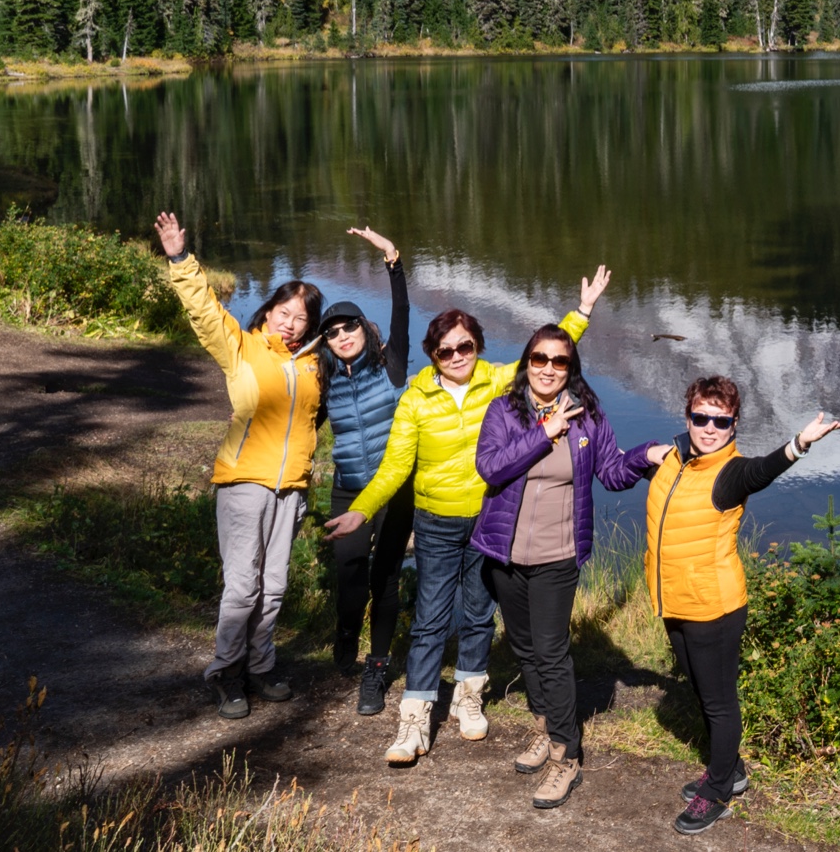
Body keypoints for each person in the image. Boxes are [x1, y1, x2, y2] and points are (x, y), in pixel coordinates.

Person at [323, 266, 612, 769]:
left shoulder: (496, 381)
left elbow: (548, 358)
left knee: (480, 613)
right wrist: (362, 509)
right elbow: (395, 465)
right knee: (432, 616)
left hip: (486, 521)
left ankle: (469, 695)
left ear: (477, 347)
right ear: (432, 354)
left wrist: (581, 313)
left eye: (466, 347)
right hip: (435, 520)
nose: (457, 357)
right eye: (446, 350)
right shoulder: (415, 398)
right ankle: (414, 716)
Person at [635, 377, 840, 835]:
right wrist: (638, 456)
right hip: (675, 599)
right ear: (687, 416)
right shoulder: (674, 460)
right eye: (700, 417)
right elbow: (624, 468)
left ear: (734, 425)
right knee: (698, 688)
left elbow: (762, 471)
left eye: (720, 420)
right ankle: (731, 768)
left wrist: (798, 445)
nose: (708, 428)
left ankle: (717, 794)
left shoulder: (729, 473)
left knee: (719, 703)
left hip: (714, 605)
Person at [154, 210, 323, 722]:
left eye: (302, 318)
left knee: (274, 586)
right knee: (242, 585)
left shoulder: (314, 365)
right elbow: (205, 309)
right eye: (284, 312)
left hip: (290, 489)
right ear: (268, 311)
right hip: (244, 482)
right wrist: (181, 259)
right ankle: (225, 672)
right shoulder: (242, 348)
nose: (291, 323)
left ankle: (260, 664)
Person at [472, 326, 649, 809]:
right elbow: (490, 467)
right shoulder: (505, 412)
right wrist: (542, 433)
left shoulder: (587, 418)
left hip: (557, 556)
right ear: (526, 361)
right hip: (505, 554)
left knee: (550, 652)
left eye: (559, 361)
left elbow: (611, 472)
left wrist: (645, 457)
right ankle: (546, 730)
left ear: (572, 369)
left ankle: (567, 757)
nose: (548, 368)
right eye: (539, 358)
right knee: (525, 649)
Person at [317, 226, 414, 715]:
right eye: (332, 333)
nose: (342, 336)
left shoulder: (391, 364)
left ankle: (376, 670)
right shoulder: (325, 382)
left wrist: (391, 258)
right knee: (350, 571)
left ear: (363, 328)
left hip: (395, 492)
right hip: (349, 489)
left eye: (348, 327)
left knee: (386, 580)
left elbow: (401, 311)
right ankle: (345, 628)